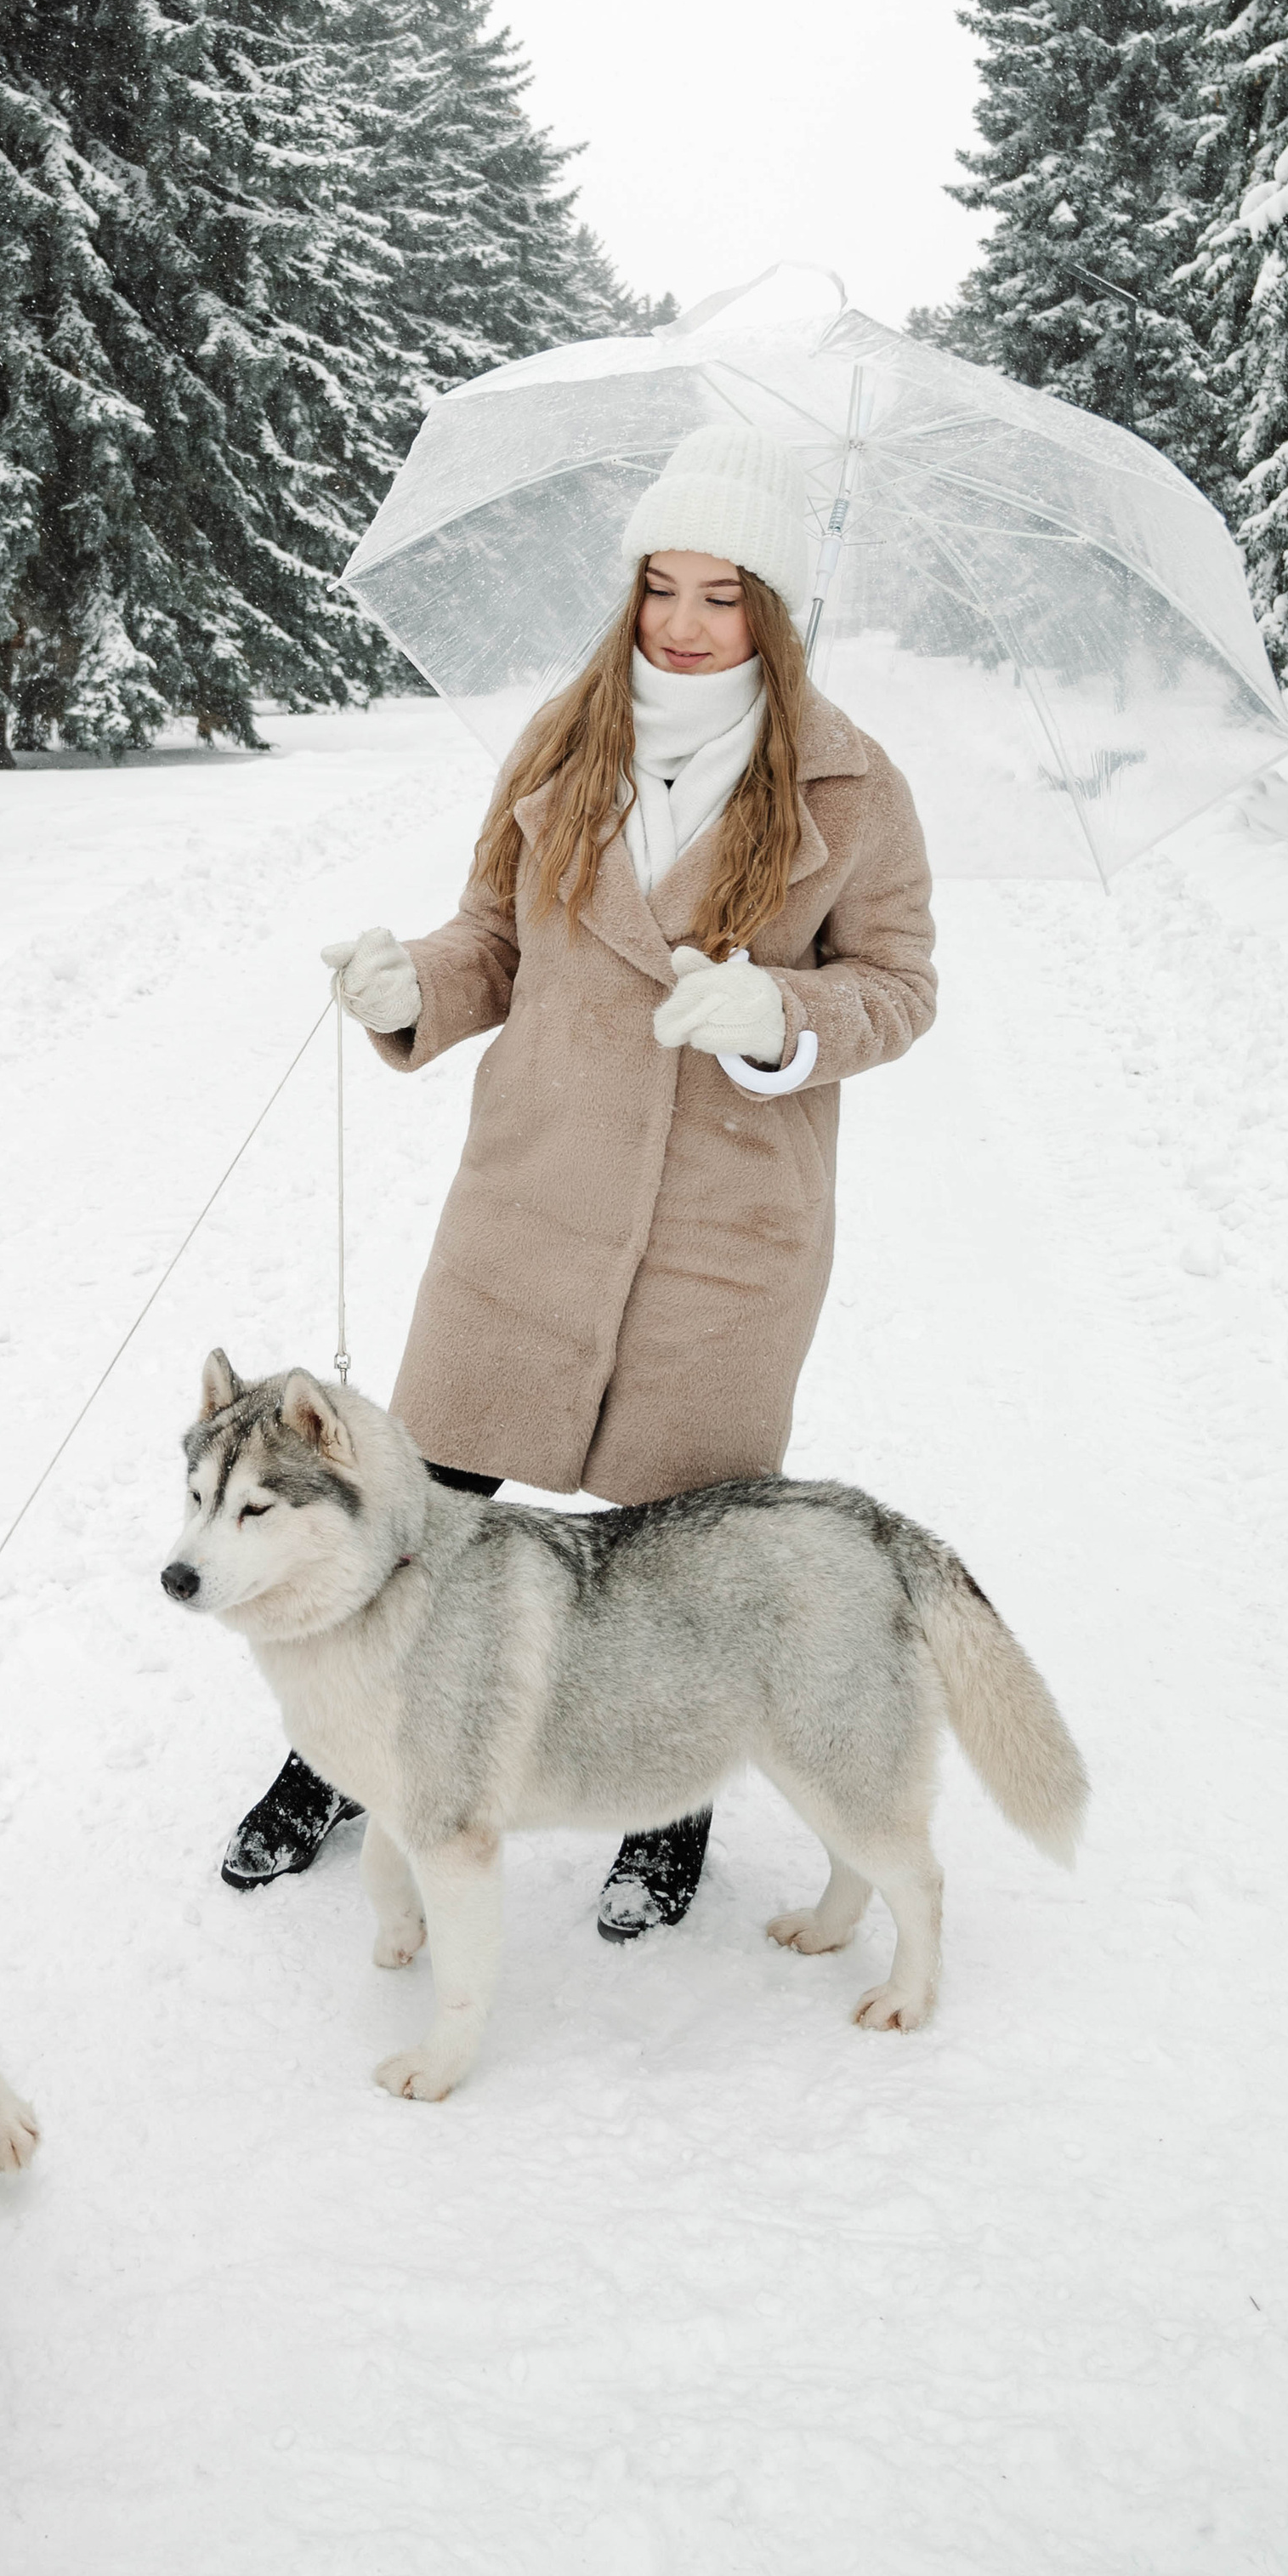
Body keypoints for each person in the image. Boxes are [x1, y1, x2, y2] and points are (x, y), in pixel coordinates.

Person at [221, 421, 938, 1939]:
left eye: (721, 595)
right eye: (658, 586)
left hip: (725, 1234)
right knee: (413, 1506)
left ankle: (666, 1810)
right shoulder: (565, 737)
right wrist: (404, 982)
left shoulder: (856, 787)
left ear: (777, 612)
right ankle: (335, 1765)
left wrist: (781, 1020)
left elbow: (903, 985)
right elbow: (491, 940)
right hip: (528, 1203)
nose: (679, 623)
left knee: (682, 1555)